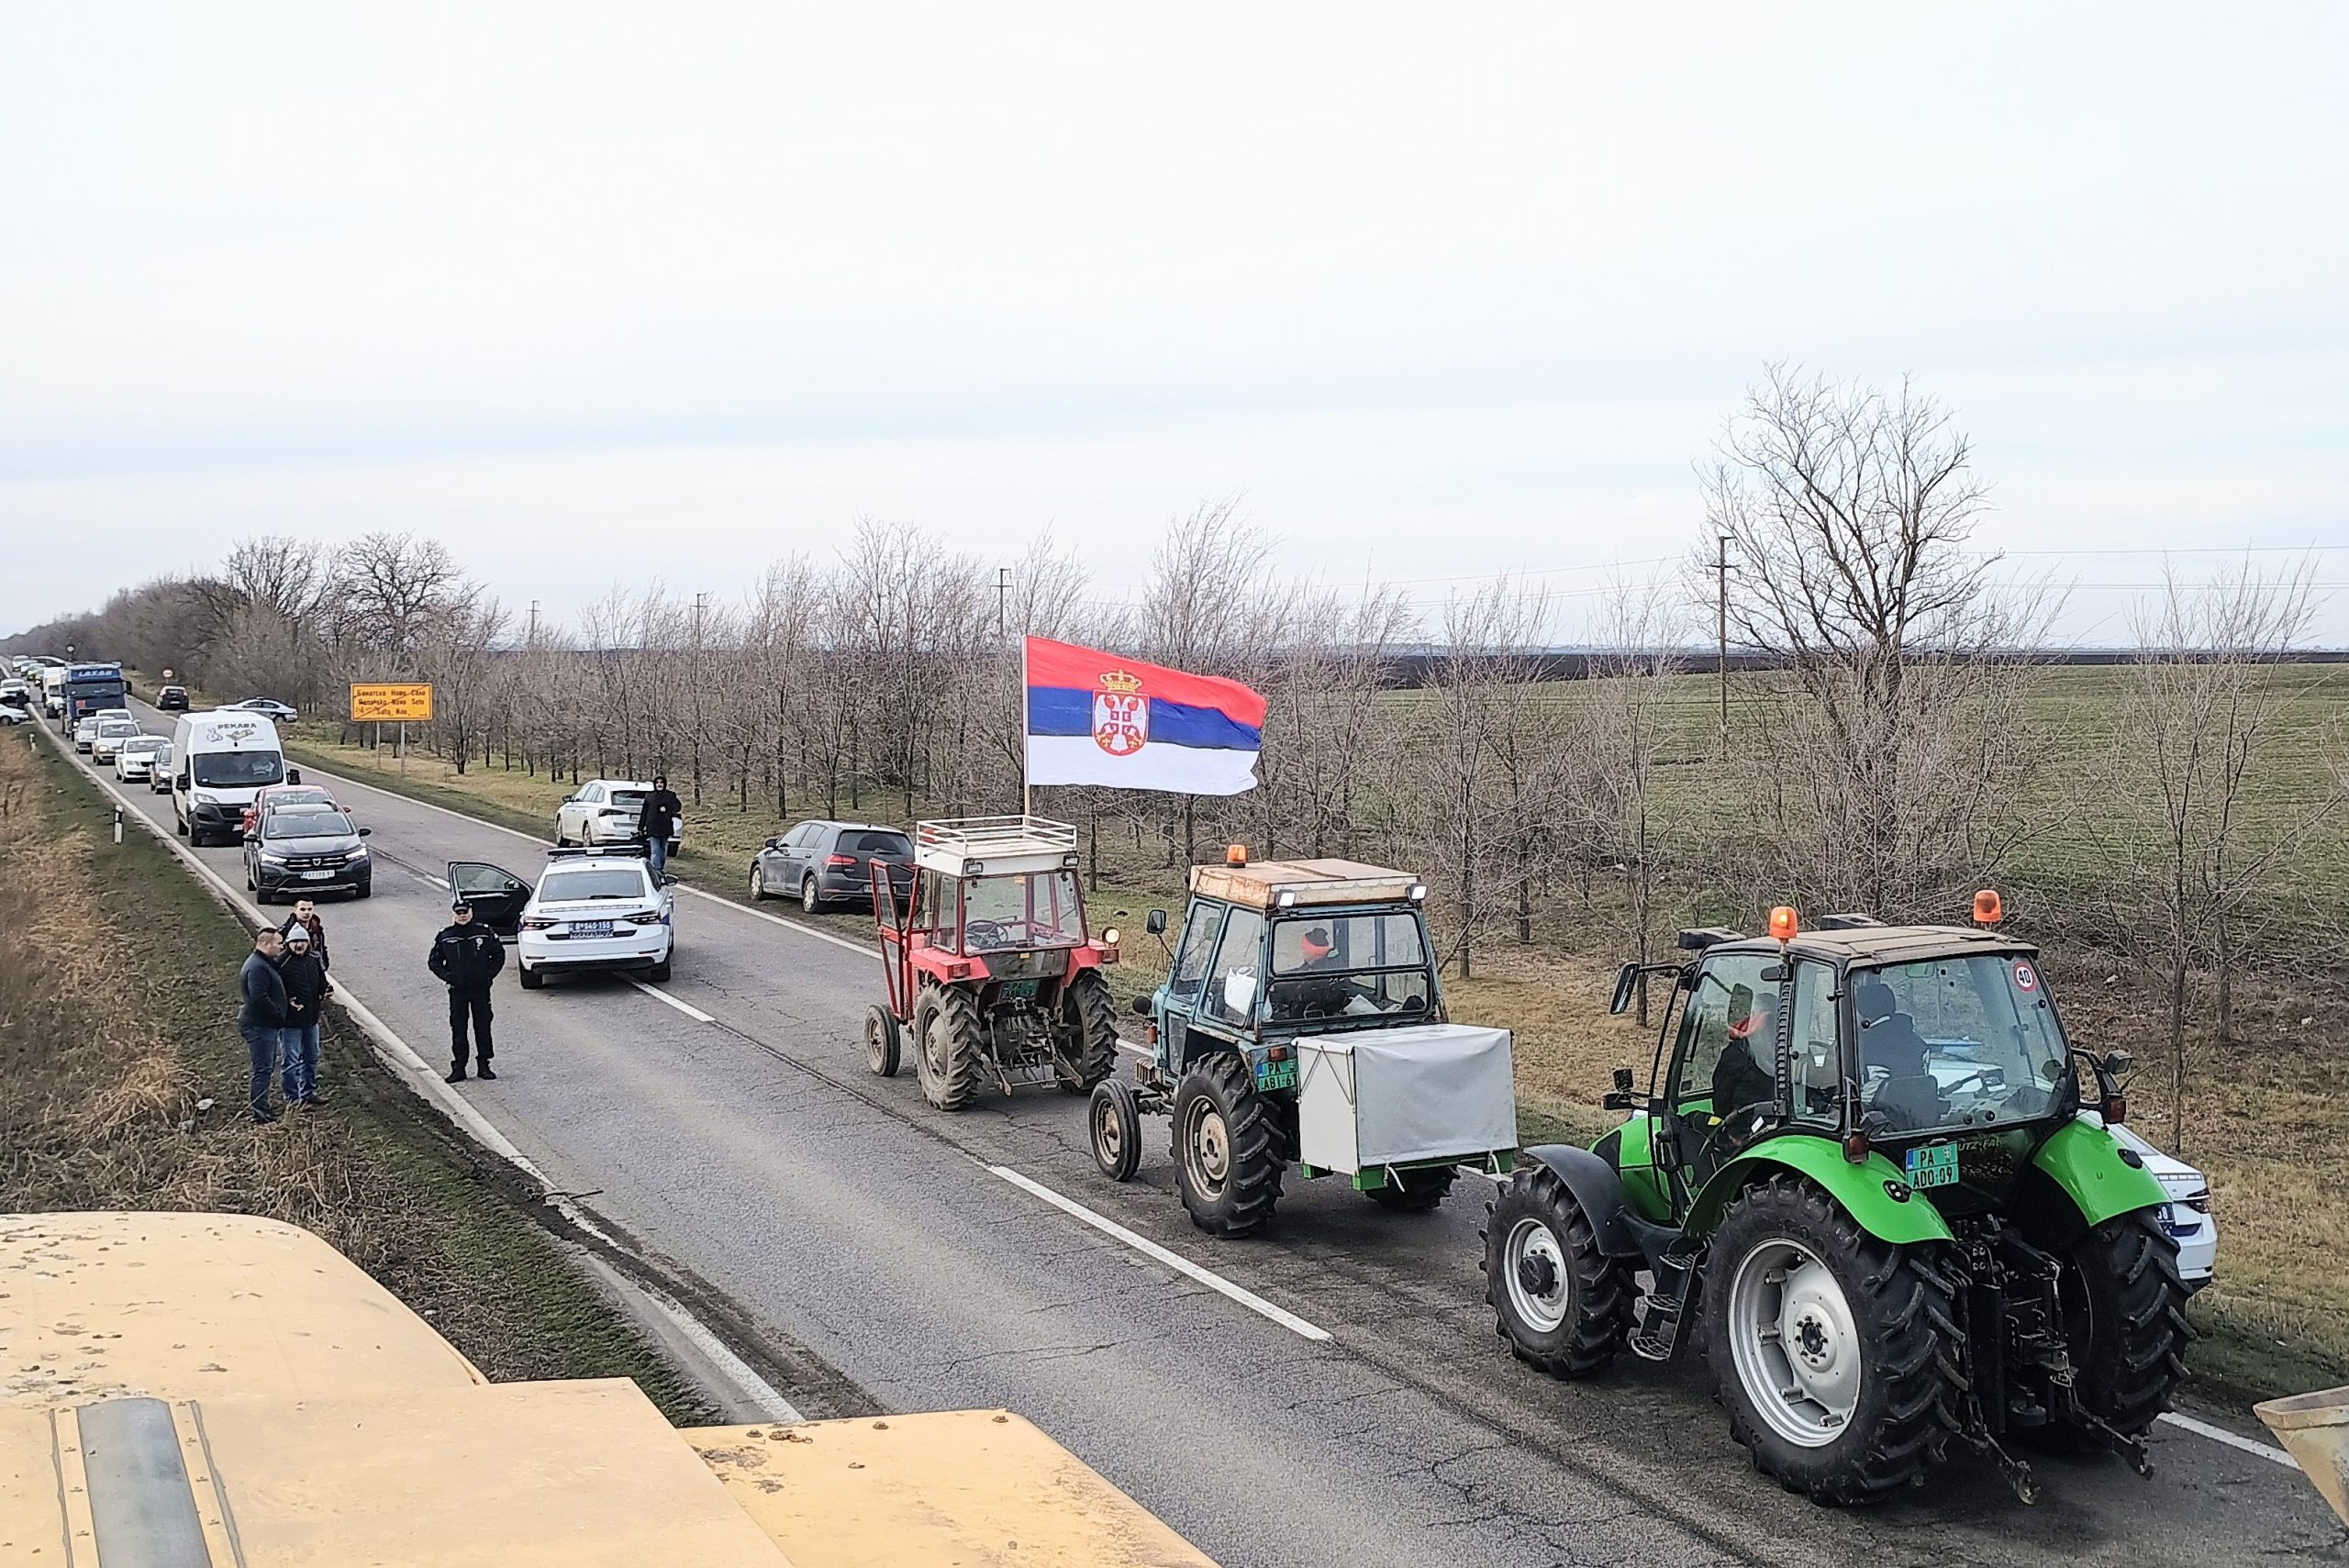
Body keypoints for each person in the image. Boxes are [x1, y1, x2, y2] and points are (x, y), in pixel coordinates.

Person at [428, 898, 505, 1084]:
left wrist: (488, 976)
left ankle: (484, 1065)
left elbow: (499, 955)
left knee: (483, 1026)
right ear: (453, 914)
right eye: (459, 913)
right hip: (458, 991)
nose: (462, 916)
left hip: (480, 989)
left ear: (471, 912)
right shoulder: (446, 936)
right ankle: (459, 1068)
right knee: (459, 1029)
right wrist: (449, 977)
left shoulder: (484, 933)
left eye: (465, 912)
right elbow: (434, 962)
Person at [274, 924, 329, 1106]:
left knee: (312, 1056)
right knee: (291, 1061)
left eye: (303, 941)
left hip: (311, 1019)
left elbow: (322, 981)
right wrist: (288, 1001)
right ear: (288, 943)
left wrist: (327, 990)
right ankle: (292, 1099)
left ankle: (308, 1091)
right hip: (290, 1023)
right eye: (295, 941)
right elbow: (274, 991)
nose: (299, 945)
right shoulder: (281, 963)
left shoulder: (314, 959)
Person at [238, 929, 288, 1123]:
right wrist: (277, 1015)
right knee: (263, 1069)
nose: (281, 946)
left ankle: (263, 1107)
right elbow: (259, 997)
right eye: (278, 943)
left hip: (264, 1025)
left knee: (265, 1068)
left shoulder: (262, 963)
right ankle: (260, 1113)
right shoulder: (257, 968)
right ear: (266, 944)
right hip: (259, 1026)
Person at [637, 773, 683, 879]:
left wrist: (669, 809)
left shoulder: (670, 795)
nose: (659, 784)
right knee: (655, 850)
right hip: (652, 826)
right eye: (657, 782)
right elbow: (644, 812)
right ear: (654, 784)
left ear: (665, 784)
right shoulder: (649, 796)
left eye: (661, 782)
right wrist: (641, 826)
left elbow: (677, 806)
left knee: (663, 850)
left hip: (665, 826)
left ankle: (660, 868)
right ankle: (656, 870)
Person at [280, 898, 328, 969]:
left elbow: (322, 948)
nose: (307, 912)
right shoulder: (286, 931)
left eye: (309, 909)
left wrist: (323, 965)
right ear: (295, 910)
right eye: (303, 909)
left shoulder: (318, 930)